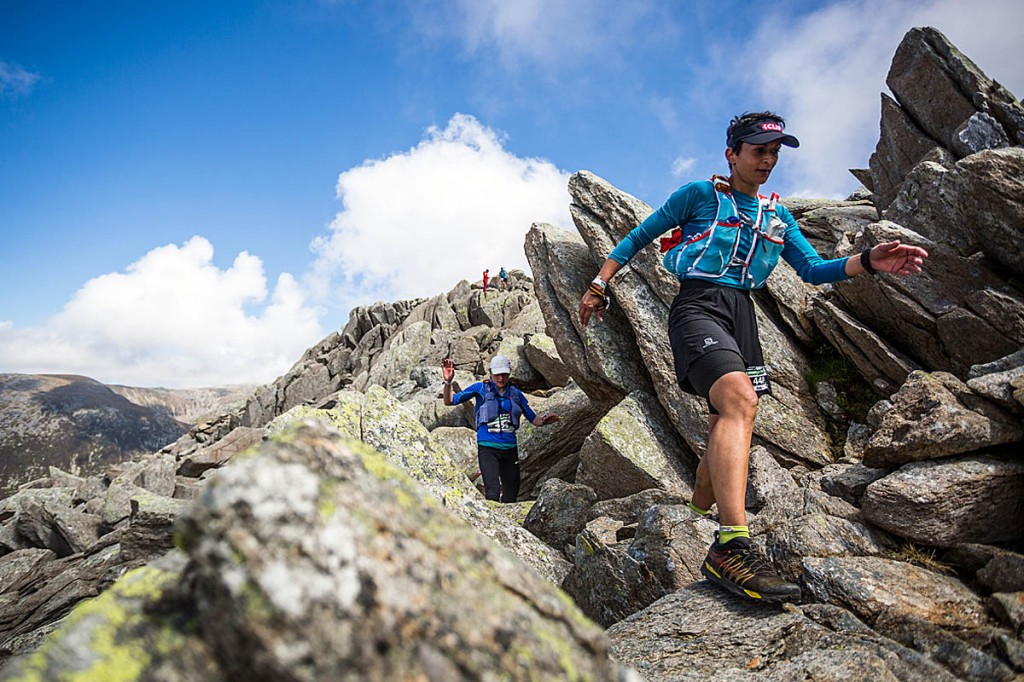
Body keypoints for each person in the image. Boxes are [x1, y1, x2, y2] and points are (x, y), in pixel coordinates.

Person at [578, 111, 928, 603]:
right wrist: (599, 283)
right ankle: (731, 547)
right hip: (697, 306)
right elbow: (640, 236)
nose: (768, 160)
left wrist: (870, 260)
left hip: (743, 317)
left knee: (729, 415)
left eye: (774, 153)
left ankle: (694, 514)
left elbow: (812, 269)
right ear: (733, 153)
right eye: (759, 150)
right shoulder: (700, 196)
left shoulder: (776, 215)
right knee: (739, 401)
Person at [442, 355, 559, 502]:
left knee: (511, 494)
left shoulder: (516, 394)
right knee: (492, 492)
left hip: (510, 450)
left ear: (509, 374)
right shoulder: (480, 388)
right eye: (497, 374)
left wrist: (545, 421)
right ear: (490, 373)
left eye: (504, 374)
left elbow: (533, 419)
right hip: (488, 449)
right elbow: (450, 401)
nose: (501, 378)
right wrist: (448, 382)